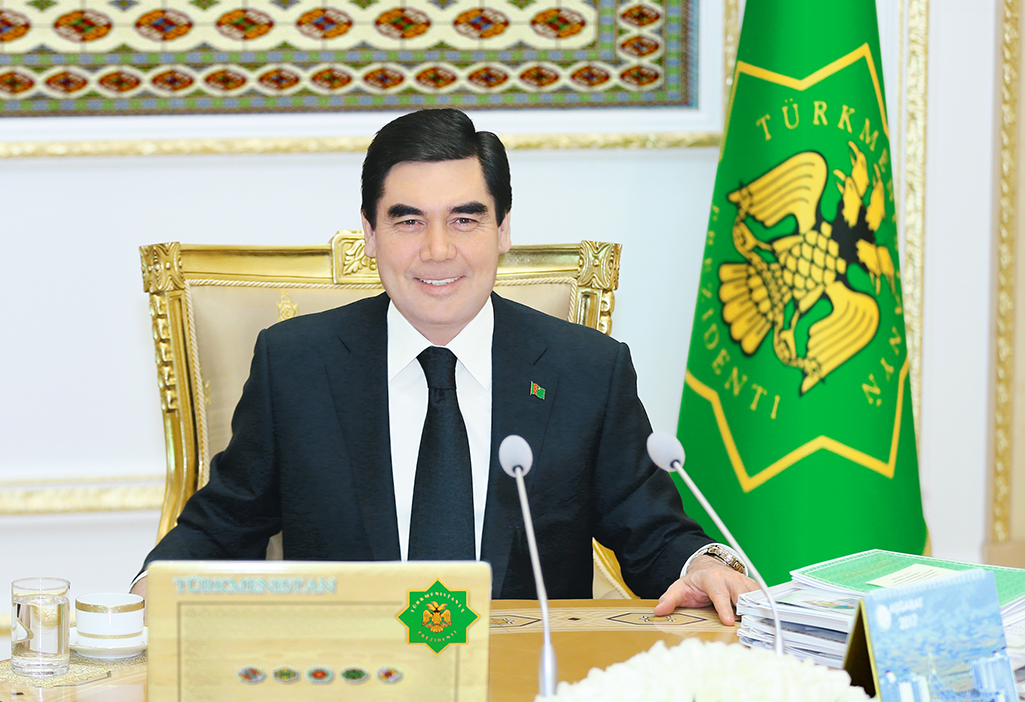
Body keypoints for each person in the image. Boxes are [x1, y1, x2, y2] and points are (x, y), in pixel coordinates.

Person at [133, 108, 756, 624]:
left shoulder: (585, 370)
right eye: (408, 221)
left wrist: (703, 564)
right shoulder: (296, 365)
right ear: (370, 234)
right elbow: (222, 528)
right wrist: (141, 598)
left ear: (503, 230)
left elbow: (652, 532)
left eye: (465, 219)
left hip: (526, 679)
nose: (437, 250)